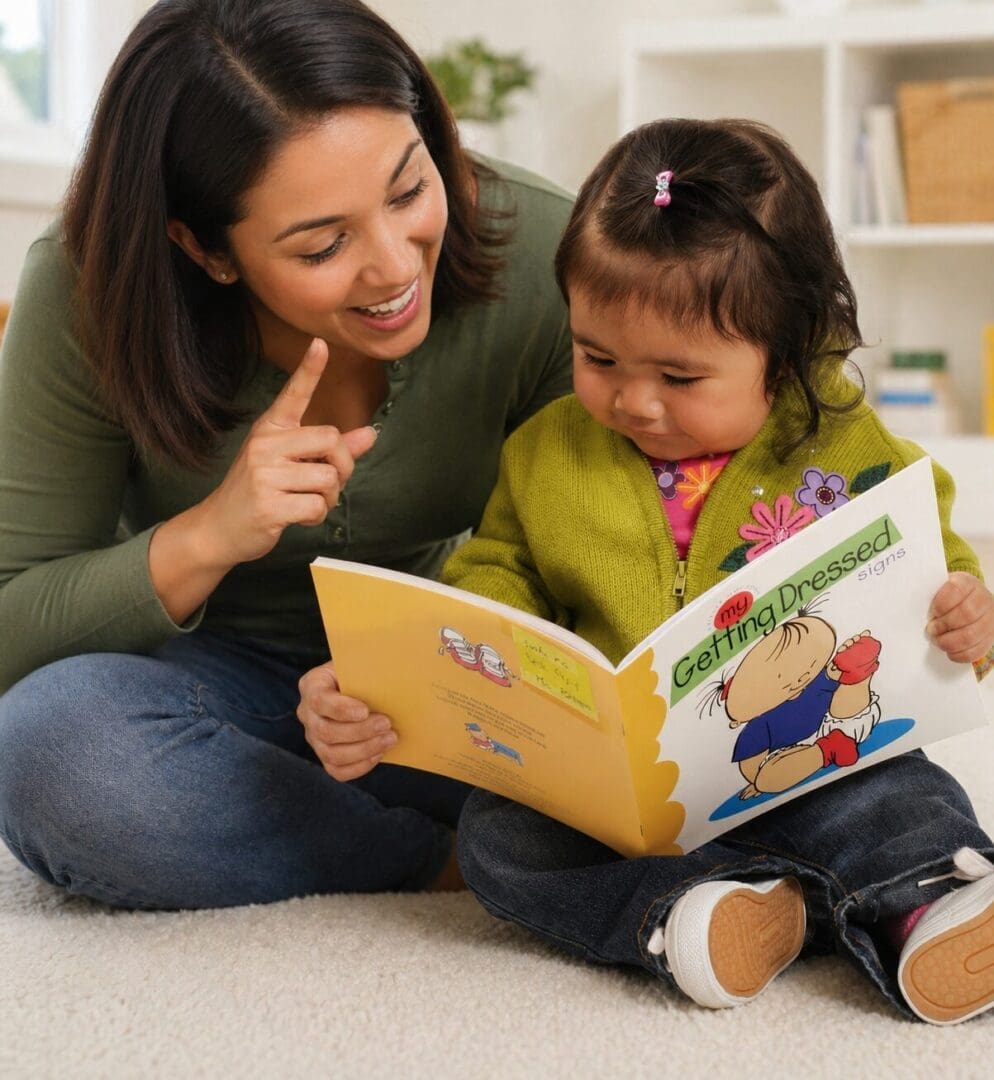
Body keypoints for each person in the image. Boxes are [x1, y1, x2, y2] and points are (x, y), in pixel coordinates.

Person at [0, 0, 574, 909]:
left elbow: (591, 546)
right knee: (58, 756)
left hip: (445, 682)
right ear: (204, 248)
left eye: (408, 189)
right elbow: (10, 626)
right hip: (202, 689)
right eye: (323, 244)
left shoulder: (544, 249)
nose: (393, 266)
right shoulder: (89, 292)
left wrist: (421, 670)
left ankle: (485, 840)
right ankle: (441, 862)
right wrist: (211, 534)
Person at [440, 118, 994, 1025]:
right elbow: (499, 566)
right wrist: (493, 631)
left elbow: (937, 571)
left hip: (817, 757)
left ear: (787, 350)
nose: (634, 400)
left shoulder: (848, 447)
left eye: (681, 377)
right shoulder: (547, 454)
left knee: (900, 799)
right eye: (597, 358)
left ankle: (934, 902)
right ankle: (693, 914)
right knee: (500, 837)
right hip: (631, 805)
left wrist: (968, 619)